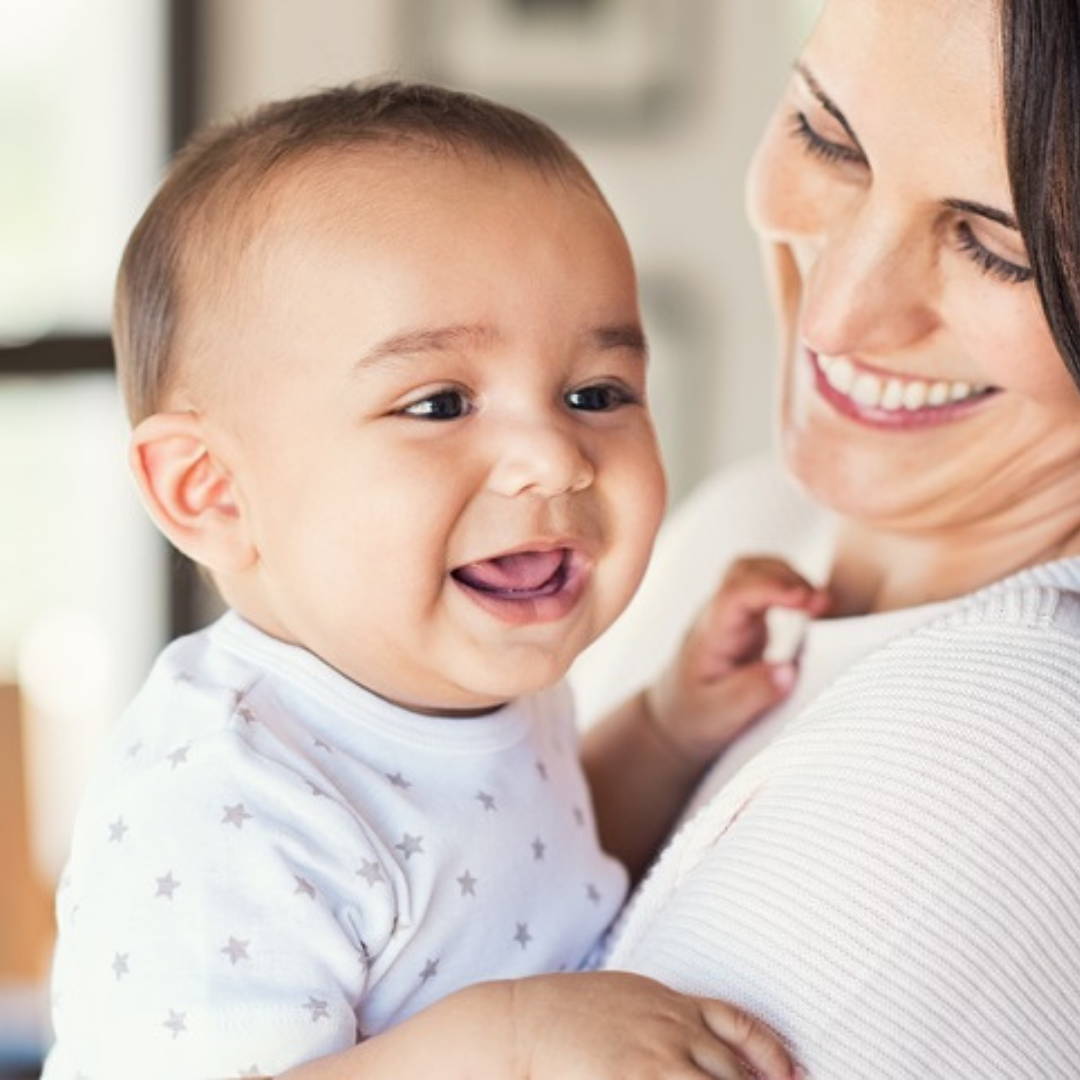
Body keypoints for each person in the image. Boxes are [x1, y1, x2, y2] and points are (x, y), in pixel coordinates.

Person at [42, 82, 809, 1080]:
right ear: (214, 492)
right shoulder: (225, 804)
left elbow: (521, 867)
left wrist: (669, 728)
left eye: (596, 393)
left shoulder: (478, 686)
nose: (555, 457)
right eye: (440, 402)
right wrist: (515, 1044)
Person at [570, 0, 1080, 1076]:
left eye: (999, 247)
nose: (839, 314)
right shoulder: (747, 526)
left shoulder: (1018, 741)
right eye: (827, 135)